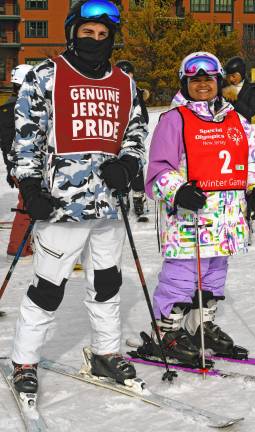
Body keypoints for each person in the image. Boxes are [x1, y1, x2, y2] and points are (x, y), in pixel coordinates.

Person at [10, 0, 147, 394]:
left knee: (107, 283)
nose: (96, 41)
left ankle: (105, 352)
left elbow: (136, 132)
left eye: (104, 36)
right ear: (73, 32)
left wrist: (129, 164)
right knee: (48, 288)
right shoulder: (46, 75)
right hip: (60, 206)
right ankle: (24, 360)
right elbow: (27, 137)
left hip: (108, 206)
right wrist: (31, 187)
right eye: (88, 33)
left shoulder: (125, 81)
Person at [139, 52, 255, 365]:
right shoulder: (174, 119)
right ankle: (165, 330)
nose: (202, 84)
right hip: (189, 215)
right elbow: (157, 171)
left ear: (219, 81)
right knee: (182, 275)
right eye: (194, 79)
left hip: (228, 216)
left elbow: (251, 160)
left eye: (208, 79)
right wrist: (178, 190)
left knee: (214, 274)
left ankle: (201, 326)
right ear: (185, 83)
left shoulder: (235, 118)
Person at [0, 64, 33, 261]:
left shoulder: (6, 109)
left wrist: (9, 168)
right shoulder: (23, 109)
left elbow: (5, 144)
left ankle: (22, 244)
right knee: (28, 203)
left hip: (16, 165)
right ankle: (19, 246)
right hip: (26, 165)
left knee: (28, 201)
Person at [115, 60, 150, 221]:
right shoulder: (112, 90)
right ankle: (121, 196)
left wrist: (137, 129)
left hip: (132, 136)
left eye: (128, 74)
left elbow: (144, 116)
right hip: (115, 138)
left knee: (134, 166)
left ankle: (138, 196)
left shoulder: (135, 90)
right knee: (118, 168)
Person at [222, 56, 255, 123]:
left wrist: (234, 100)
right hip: (225, 127)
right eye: (228, 76)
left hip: (243, 128)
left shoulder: (252, 89)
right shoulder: (224, 87)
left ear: (241, 73)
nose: (231, 79)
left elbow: (251, 112)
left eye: (233, 76)